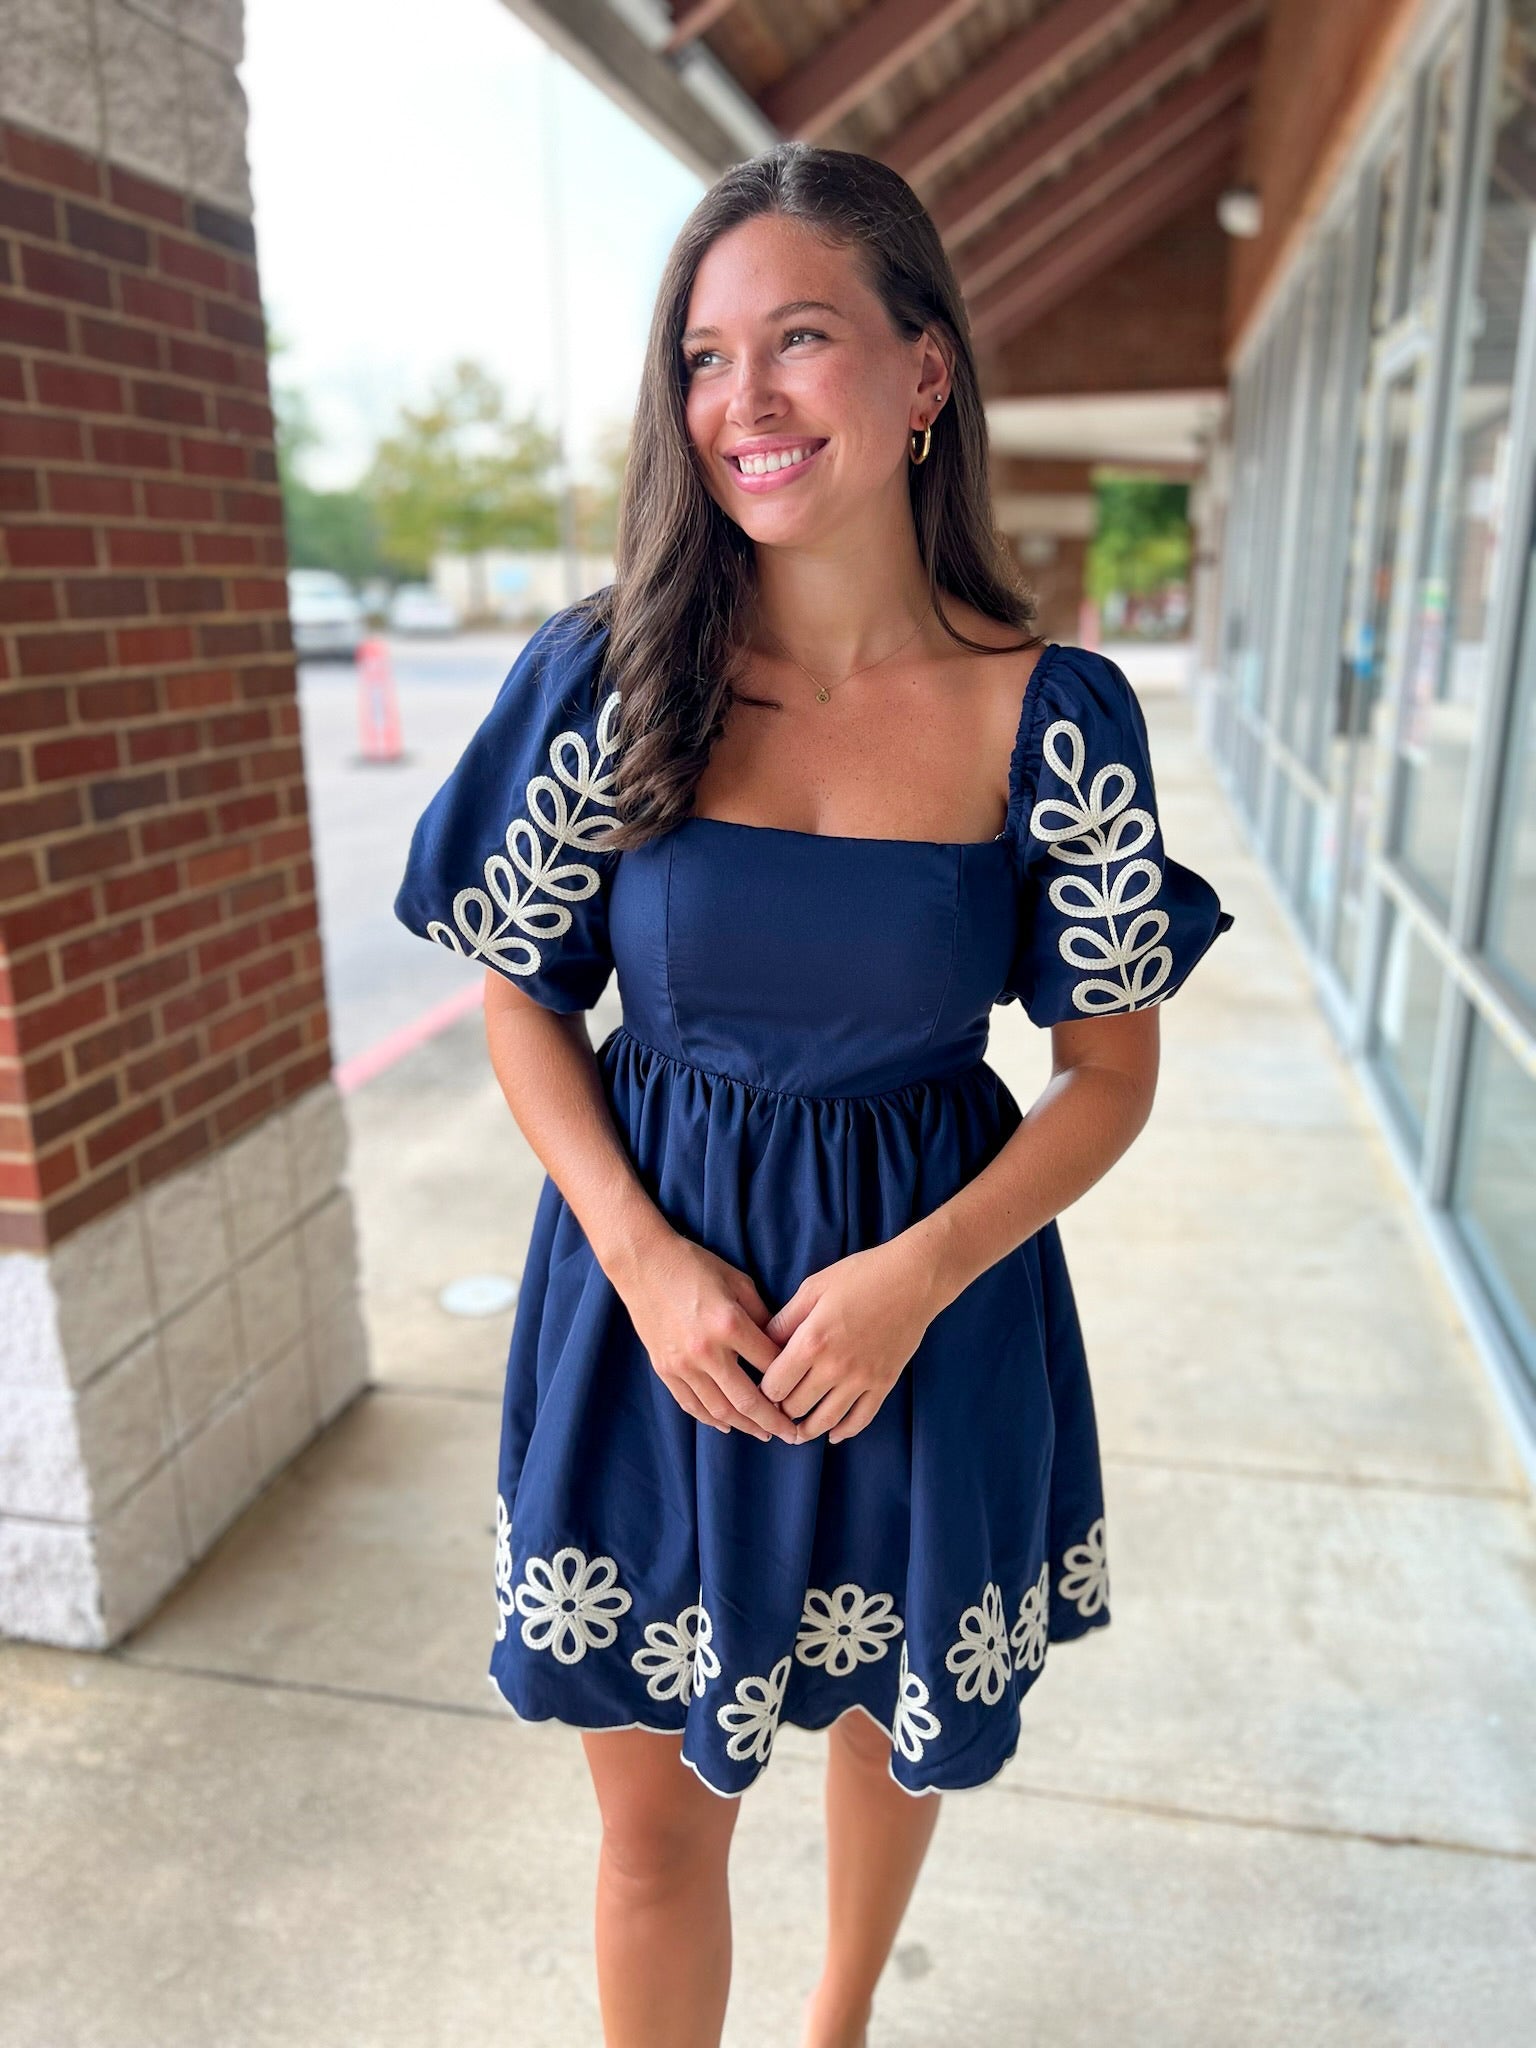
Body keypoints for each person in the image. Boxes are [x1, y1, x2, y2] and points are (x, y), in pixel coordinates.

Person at [394, 141, 1233, 2048]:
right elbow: (518, 997)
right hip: (653, 1324)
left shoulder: (1056, 715)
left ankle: (839, 2020)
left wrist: (919, 1275)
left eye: (800, 340)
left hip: (930, 1316)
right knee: (649, 1832)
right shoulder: (611, 680)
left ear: (926, 371)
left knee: (891, 1720)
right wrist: (643, 1258)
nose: (742, 402)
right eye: (702, 356)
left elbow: (1108, 1073)